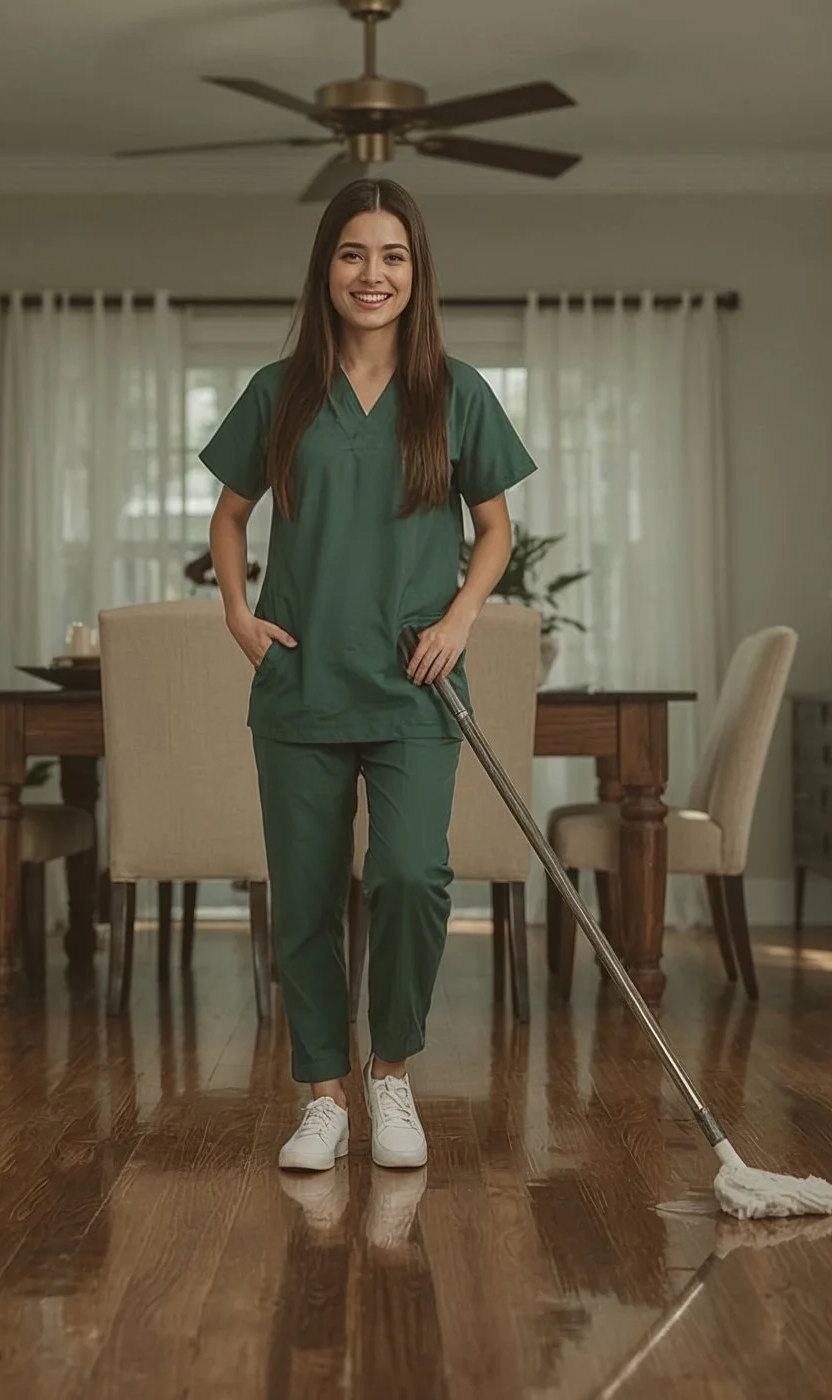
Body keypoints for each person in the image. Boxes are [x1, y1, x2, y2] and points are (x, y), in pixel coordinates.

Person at [201, 177, 534, 1172]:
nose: (372, 273)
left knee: (409, 874)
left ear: (416, 272)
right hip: (300, 682)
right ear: (325, 269)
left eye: (392, 256)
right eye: (353, 254)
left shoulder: (455, 390)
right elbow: (228, 514)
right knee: (301, 896)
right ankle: (321, 1095)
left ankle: (390, 1075)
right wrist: (236, 612)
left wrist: (461, 616)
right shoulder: (280, 390)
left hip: (412, 688)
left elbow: (495, 527)